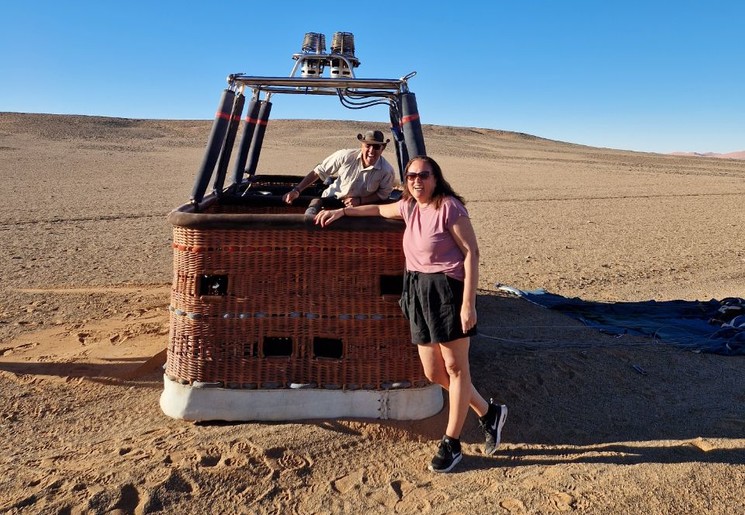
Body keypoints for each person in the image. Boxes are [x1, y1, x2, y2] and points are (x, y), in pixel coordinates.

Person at [315, 155, 508, 473]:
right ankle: (489, 413)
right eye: (411, 176)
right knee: (434, 373)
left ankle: (451, 443)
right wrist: (342, 211)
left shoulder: (449, 207)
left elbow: (472, 253)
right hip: (417, 290)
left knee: (457, 369)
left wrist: (468, 304)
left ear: (435, 178)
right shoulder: (408, 206)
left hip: (447, 290)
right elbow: (377, 209)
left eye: (424, 175)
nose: (417, 181)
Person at [282, 130, 396, 207]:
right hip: (329, 201)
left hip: (357, 210)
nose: (371, 151)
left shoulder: (387, 171)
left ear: (382, 148)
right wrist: (296, 190)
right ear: (361, 145)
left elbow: (382, 195)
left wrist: (360, 201)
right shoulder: (345, 156)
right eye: (368, 145)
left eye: (376, 147)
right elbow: (318, 171)